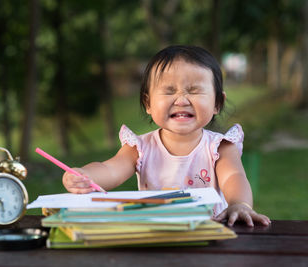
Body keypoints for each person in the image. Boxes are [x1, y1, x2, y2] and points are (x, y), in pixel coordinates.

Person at [62, 45, 271, 227]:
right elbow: (110, 169)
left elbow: (234, 177)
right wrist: (85, 176)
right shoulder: (139, 148)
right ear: (148, 104)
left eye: (194, 91)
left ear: (217, 103)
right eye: (169, 91)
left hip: (210, 235)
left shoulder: (220, 147)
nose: (181, 100)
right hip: (157, 234)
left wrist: (240, 205)